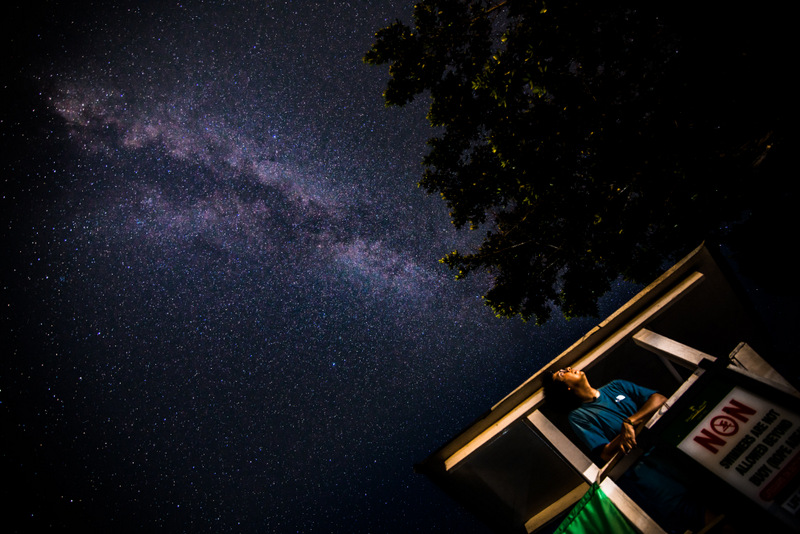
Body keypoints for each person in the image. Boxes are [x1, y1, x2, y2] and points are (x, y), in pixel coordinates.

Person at [543, 367, 710, 533]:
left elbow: (659, 399)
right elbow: (606, 453)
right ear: (567, 388)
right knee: (697, 514)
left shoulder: (616, 386)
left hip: (672, 450)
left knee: (713, 489)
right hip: (648, 471)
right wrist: (626, 433)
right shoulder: (578, 416)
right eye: (562, 374)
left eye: (566, 368)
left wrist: (629, 422)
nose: (569, 369)